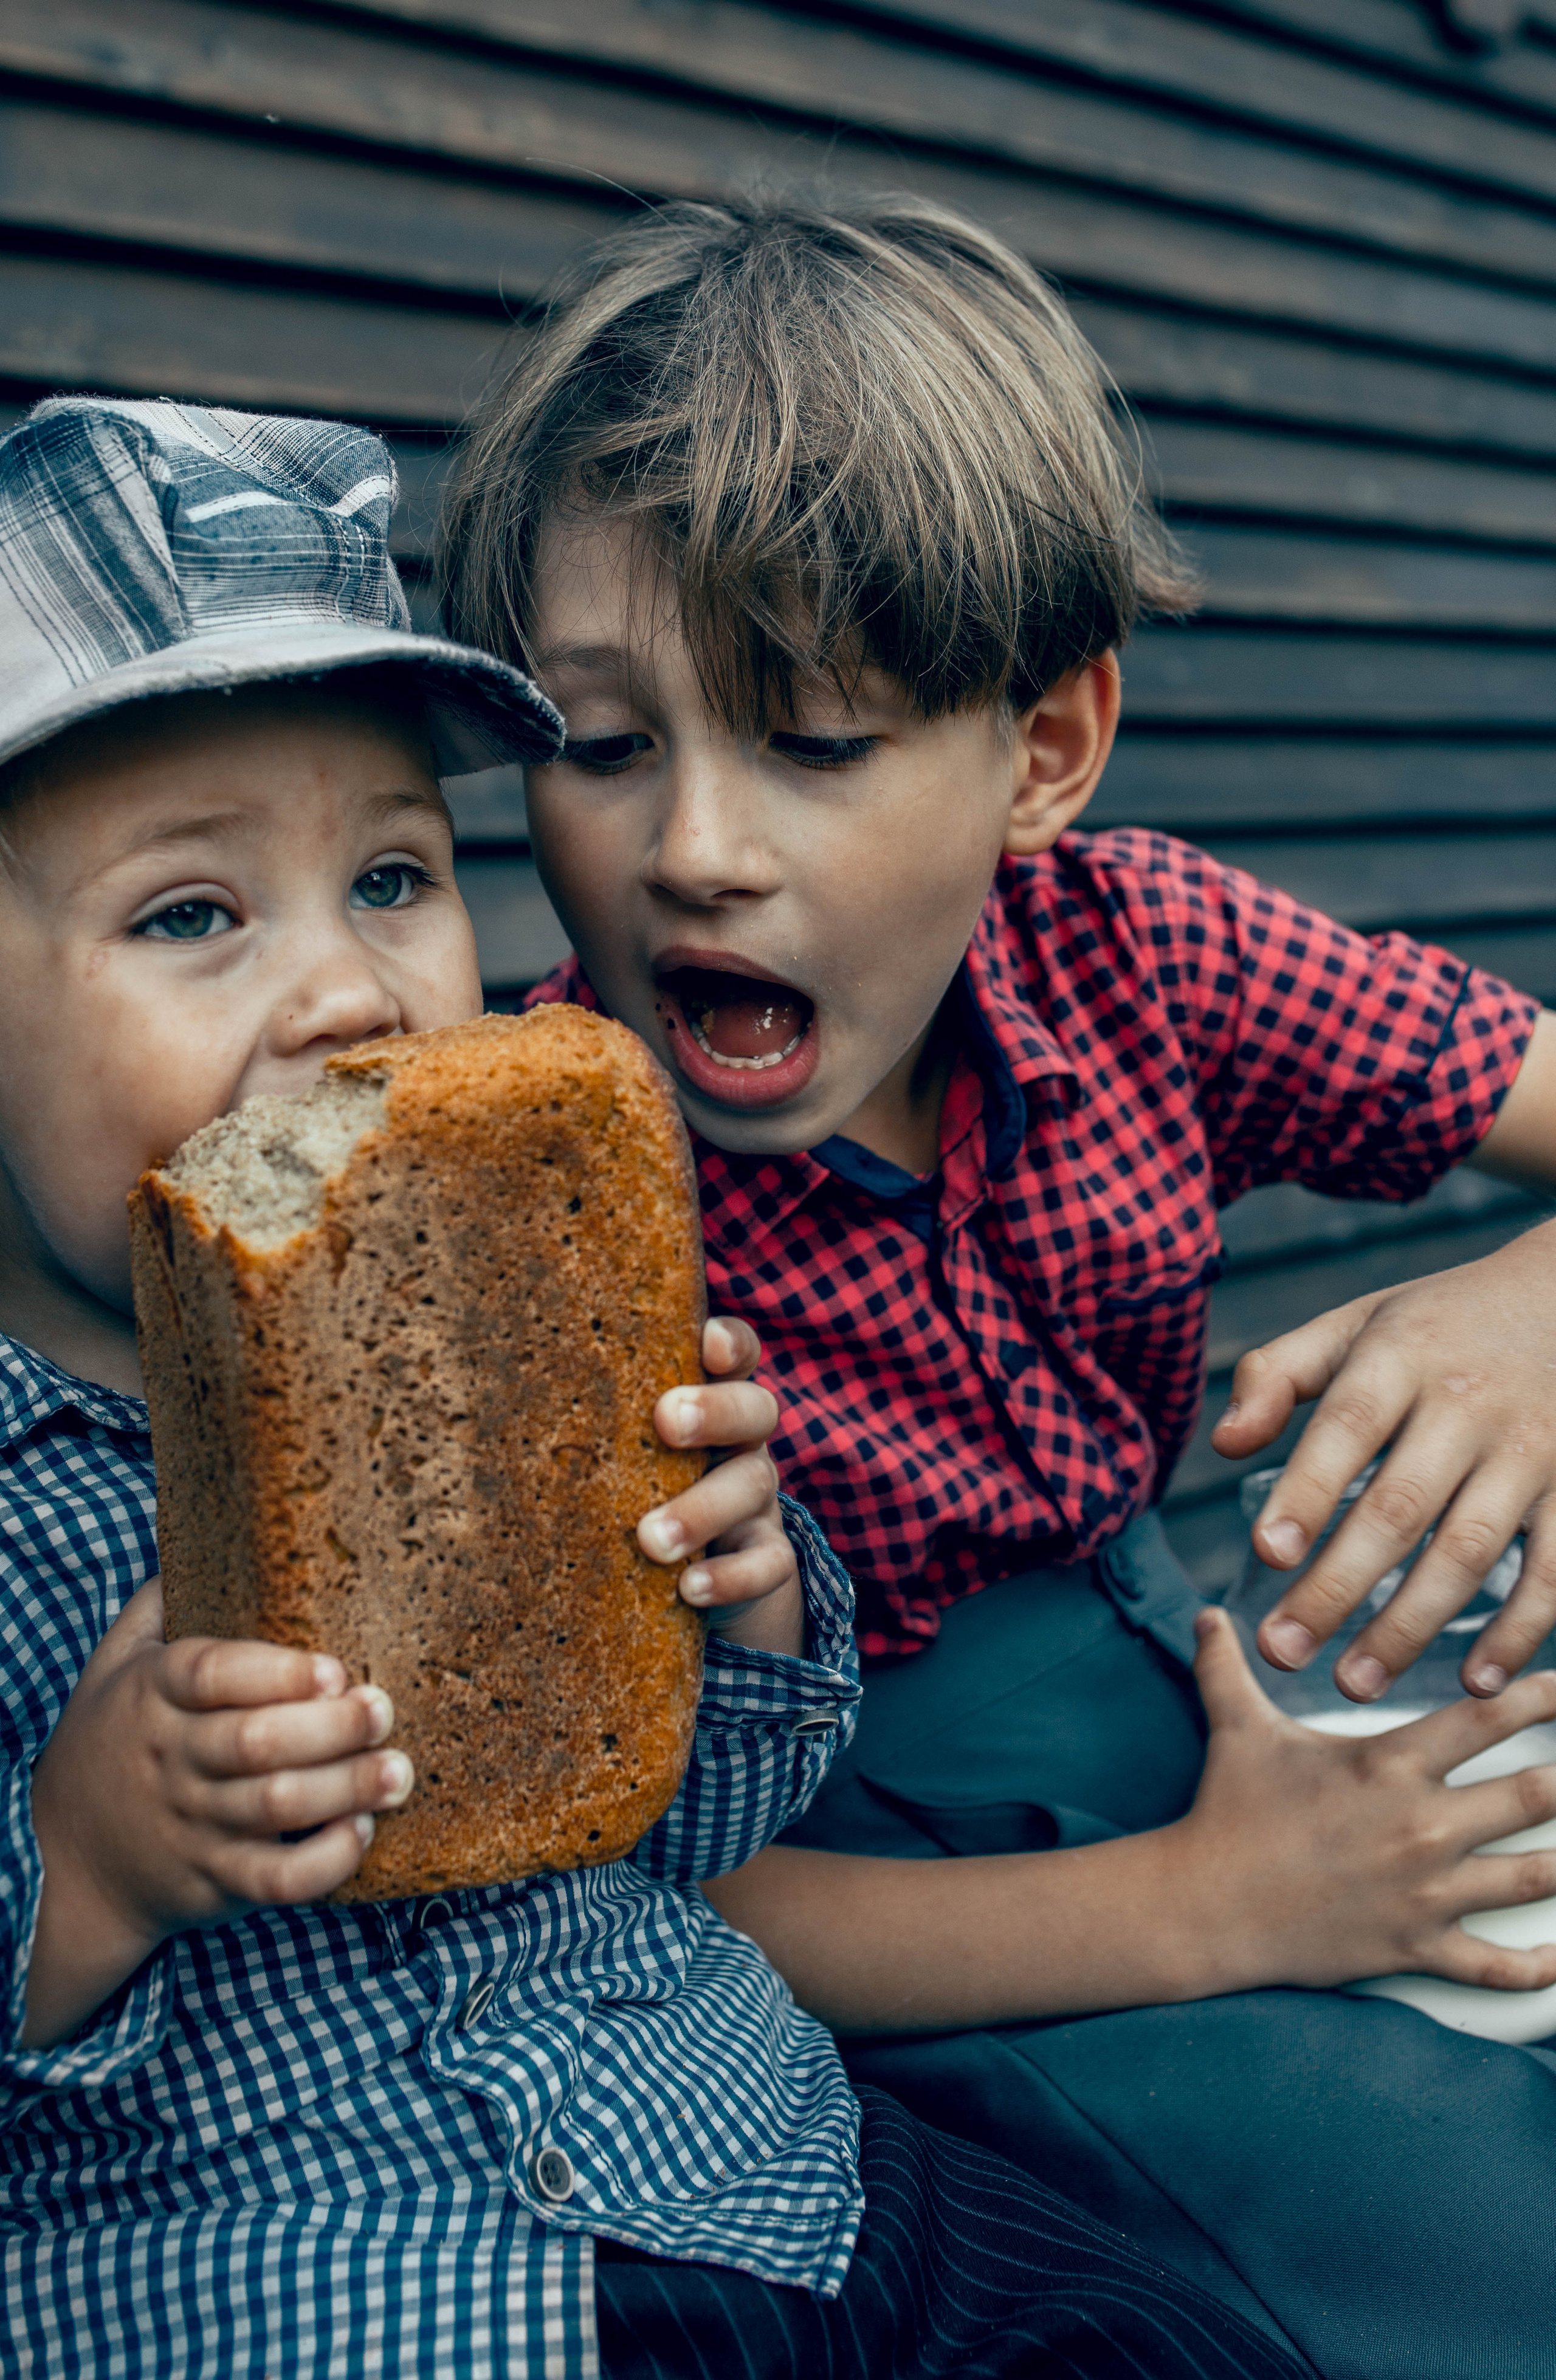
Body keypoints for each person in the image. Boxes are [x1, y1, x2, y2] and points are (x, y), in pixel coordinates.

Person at [0, 395, 1306, 2380]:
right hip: (338, 2286)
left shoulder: (502, 1328)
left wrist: (738, 1603)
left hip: (763, 2160)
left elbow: (675, 1823)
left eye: (394, 878)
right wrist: (84, 1868)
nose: (352, 993)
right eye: (194, 914)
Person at [441, 191, 1556, 2380]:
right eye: (602, 739)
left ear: (1043, 753)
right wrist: (1216, 1911)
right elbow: (646, 1911)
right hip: (893, 1915)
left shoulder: (1139, 947)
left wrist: (1539, 1295)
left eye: (816, 739)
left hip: (1173, 1687)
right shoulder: (529, 1221)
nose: (695, 848)